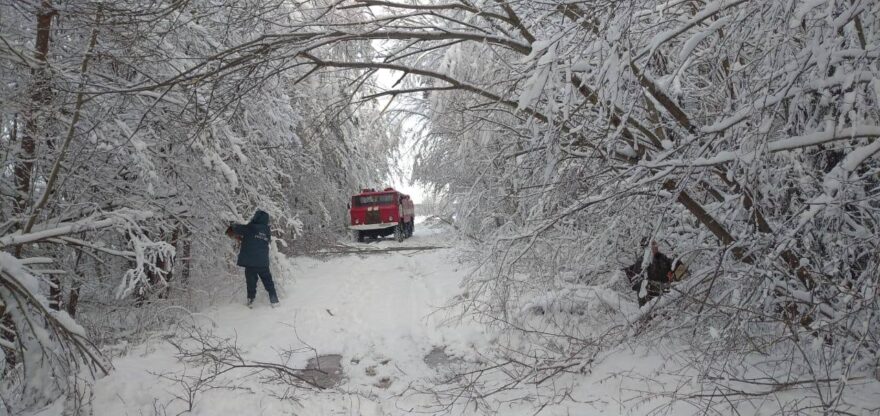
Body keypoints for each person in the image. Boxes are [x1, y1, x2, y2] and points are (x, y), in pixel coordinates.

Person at [226, 210, 279, 308]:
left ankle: (251, 301)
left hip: (250, 263)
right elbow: (257, 241)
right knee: (268, 282)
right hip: (263, 262)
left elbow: (232, 230)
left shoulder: (250, 228)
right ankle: (274, 300)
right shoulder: (267, 231)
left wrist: (231, 224)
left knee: (251, 283)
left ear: (255, 218)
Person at [624, 239, 673, 307]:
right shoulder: (642, 262)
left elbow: (671, 267)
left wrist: (671, 273)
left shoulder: (662, 258)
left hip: (664, 297)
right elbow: (639, 284)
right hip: (648, 300)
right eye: (652, 244)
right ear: (647, 247)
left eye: (655, 244)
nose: (655, 246)